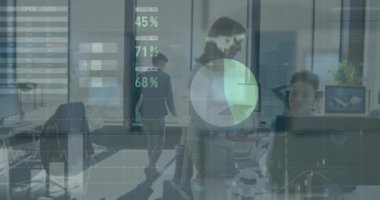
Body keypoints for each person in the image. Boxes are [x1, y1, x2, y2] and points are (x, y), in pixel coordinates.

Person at [134, 52, 177, 181]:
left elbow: (135, 95)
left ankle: (151, 166)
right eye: (164, 64)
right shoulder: (165, 77)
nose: (165, 66)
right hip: (158, 113)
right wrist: (174, 112)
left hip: (145, 113)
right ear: (159, 63)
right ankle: (151, 166)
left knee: (151, 141)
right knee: (159, 144)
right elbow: (169, 97)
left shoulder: (143, 75)